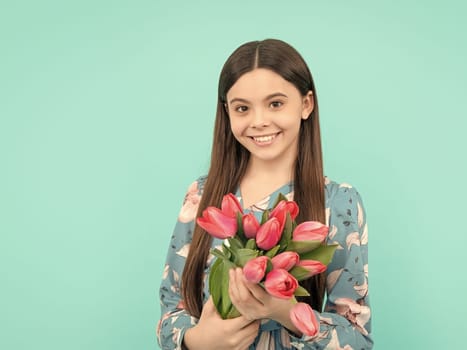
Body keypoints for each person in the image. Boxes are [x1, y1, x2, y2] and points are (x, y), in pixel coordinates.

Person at [157, 39, 373, 349]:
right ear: (227, 112)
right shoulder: (202, 197)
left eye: (275, 103)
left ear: (306, 104)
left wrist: (287, 312)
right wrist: (196, 340)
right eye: (242, 108)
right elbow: (170, 308)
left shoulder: (339, 203)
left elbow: (358, 337)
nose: (259, 121)